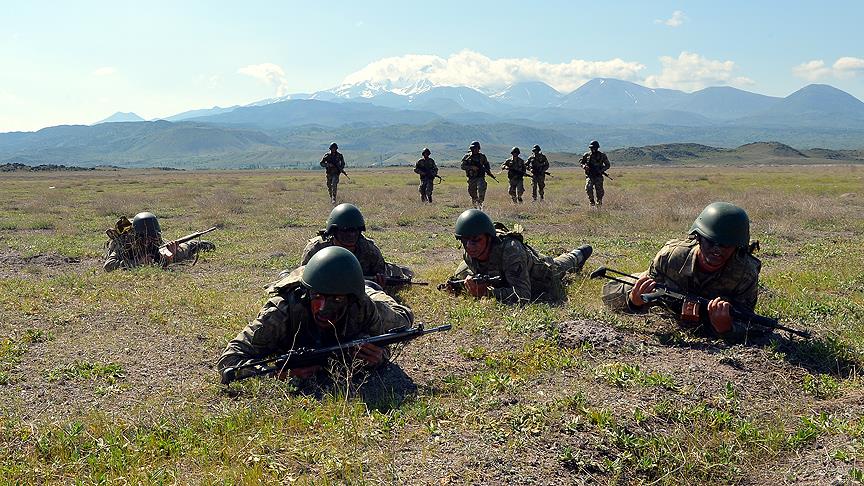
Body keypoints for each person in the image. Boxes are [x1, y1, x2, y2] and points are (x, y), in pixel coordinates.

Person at [217, 247, 414, 382]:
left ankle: (369, 285)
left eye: (336, 300)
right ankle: (287, 276)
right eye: (318, 297)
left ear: (351, 299)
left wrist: (378, 358)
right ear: (307, 294)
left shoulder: (363, 306)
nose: (323, 309)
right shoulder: (282, 311)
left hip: (365, 289)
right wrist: (276, 373)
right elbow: (230, 360)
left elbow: (384, 342)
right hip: (310, 278)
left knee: (404, 319)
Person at [601, 202, 761, 337]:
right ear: (698, 237)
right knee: (610, 295)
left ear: (737, 247)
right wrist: (634, 302)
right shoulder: (671, 257)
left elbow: (748, 321)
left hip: (708, 311)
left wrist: (726, 329)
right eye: (710, 242)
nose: (716, 251)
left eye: (725, 245)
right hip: (665, 294)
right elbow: (648, 296)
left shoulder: (745, 274)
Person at [446, 209, 593, 305]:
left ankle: (577, 255)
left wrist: (487, 293)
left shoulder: (511, 251)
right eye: (464, 240)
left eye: (476, 240)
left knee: (557, 266)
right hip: (501, 275)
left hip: (538, 273)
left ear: (489, 237)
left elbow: (523, 295)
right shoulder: (468, 254)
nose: (470, 246)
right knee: (460, 274)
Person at [103, 212, 215, 272]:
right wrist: (138, 263)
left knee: (179, 252)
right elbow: (108, 266)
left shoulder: (156, 240)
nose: (149, 241)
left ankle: (198, 244)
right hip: (131, 255)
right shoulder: (125, 243)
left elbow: (161, 259)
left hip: (158, 250)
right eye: (145, 237)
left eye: (153, 236)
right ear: (136, 235)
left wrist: (168, 258)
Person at [301, 204, 386, 281]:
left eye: (355, 231)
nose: (351, 235)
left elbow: (380, 274)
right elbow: (303, 277)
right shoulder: (316, 249)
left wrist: (379, 282)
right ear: (333, 232)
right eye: (345, 231)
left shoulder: (369, 250)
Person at [460, 141, 492, 209]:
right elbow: (462, 166)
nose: (475, 150)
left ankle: (480, 203)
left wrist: (488, 172)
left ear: (478, 148)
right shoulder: (467, 157)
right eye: (473, 148)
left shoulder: (482, 157)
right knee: (472, 192)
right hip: (471, 178)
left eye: (476, 148)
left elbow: (486, 165)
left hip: (480, 177)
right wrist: (471, 167)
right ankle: (475, 206)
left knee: (481, 188)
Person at [579, 140, 610, 206]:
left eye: (594, 148)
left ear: (597, 148)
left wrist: (601, 170)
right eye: (591, 148)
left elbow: (608, 165)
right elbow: (581, 162)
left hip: (598, 176)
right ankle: (591, 201)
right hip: (590, 175)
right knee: (588, 187)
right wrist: (584, 166)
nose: (592, 149)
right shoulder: (587, 155)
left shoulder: (602, 155)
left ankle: (599, 203)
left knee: (599, 191)